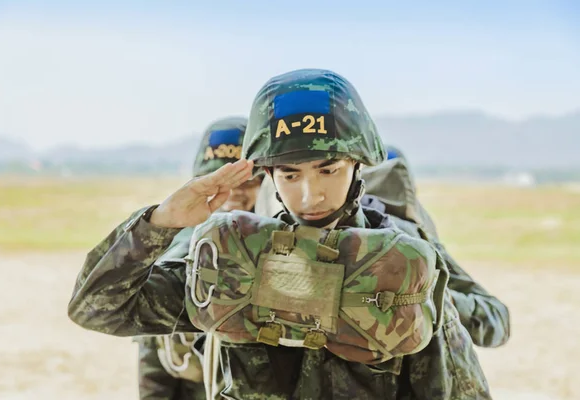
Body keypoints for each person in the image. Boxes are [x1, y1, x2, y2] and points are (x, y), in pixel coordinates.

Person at [68, 69, 491, 399]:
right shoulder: (234, 261)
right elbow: (96, 308)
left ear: (358, 166)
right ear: (268, 174)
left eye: (328, 170)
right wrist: (160, 221)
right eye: (290, 174)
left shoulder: (400, 270)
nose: (311, 193)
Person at [255, 144, 511, 348]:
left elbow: (496, 318)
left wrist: (424, 298)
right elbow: (496, 322)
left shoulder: (409, 239)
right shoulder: (409, 236)